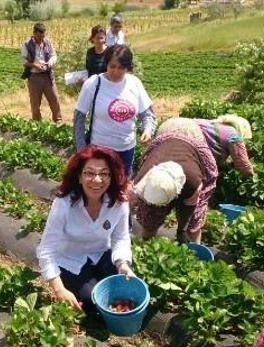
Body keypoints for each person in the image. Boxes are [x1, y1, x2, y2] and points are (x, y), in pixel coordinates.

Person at [37, 145, 135, 313]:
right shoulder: (64, 204)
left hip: (102, 254)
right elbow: (46, 250)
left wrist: (123, 264)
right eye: (89, 173)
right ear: (79, 177)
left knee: (127, 289)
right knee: (95, 303)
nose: (97, 180)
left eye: (104, 173)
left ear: (112, 177)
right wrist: (59, 289)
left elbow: (121, 238)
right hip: (70, 260)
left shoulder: (119, 203)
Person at [73, 45, 155, 177]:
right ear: (106, 64)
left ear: (127, 68)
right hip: (99, 150)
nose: (116, 71)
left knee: (121, 185)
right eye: (112, 66)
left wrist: (147, 130)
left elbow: (146, 113)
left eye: (121, 68)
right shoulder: (93, 84)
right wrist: (81, 149)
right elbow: (79, 118)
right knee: (98, 185)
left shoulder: (134, 83)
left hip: (126, 149)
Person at [132, 118, 217, 244]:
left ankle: (194, 247)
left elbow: (189, 208)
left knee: (193, 222)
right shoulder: (142, 178)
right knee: (150, 217)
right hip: (166, 131)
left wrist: (182, 229)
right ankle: (146, 241)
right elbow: (130, 201)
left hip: (192, 134)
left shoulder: (192, 182)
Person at [160, 115, 254, 177]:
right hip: (188, 136)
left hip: (169, 126)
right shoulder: (233, 135)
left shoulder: (211, 124)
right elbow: (243, 164)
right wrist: (253, 175)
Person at [21, 22, 62, 123]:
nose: (41, 38)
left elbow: (54, 55)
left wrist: (50, 63)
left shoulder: (47, 42)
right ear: (34, 33)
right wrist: (35, 65)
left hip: (47, 75)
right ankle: (37, 125)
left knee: (54, 100)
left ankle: (58, 122)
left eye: (43, 36)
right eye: (39, 36)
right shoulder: (26, 44)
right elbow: (24, 61)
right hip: (34, 77)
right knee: (35, 104)